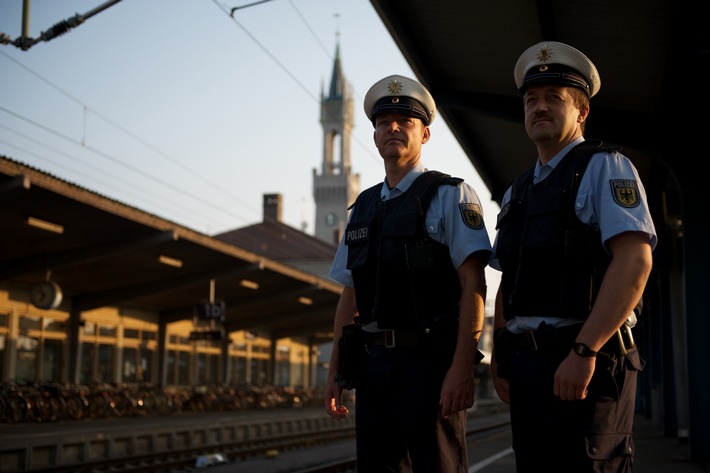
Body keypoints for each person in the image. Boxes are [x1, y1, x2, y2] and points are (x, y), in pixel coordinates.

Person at [489, 41, 658, 473]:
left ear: (581, 112)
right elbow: (510, 280)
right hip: (528, 369)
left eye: (553, 99)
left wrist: (585, 351)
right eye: (531, 100)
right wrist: (502, 356)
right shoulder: (517, 191)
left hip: (587, 364)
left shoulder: (606, 167)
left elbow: (634, 261)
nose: (539, 107)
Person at [323, 74, 493, 473]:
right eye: (384, 123)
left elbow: (474, 285)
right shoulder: (361, 209)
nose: (393, 128)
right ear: (376, 135)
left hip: (430, 367)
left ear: (425, 134)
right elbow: (350, 297)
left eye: (405, 121)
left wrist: (462, 369)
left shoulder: (451, 196)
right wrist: (335, 373)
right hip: (372, 368)